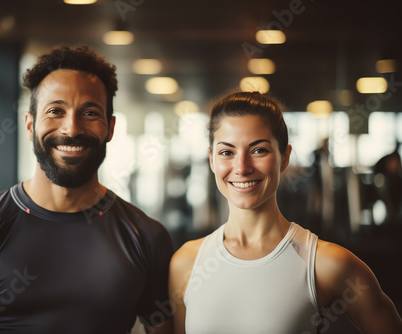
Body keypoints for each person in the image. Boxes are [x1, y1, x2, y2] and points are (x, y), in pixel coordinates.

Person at [0, 45, 174, 334]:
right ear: (30, 125)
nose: (71, 129)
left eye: (90, 112)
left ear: (110, 128)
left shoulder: (146, 236)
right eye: (56, 111)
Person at [168, 91, 402, 334]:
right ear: (212, 160)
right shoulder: (186, 263)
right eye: (227, 152)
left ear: (285, 157)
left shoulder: (326, 263)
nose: (242, 167)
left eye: (258, 150)